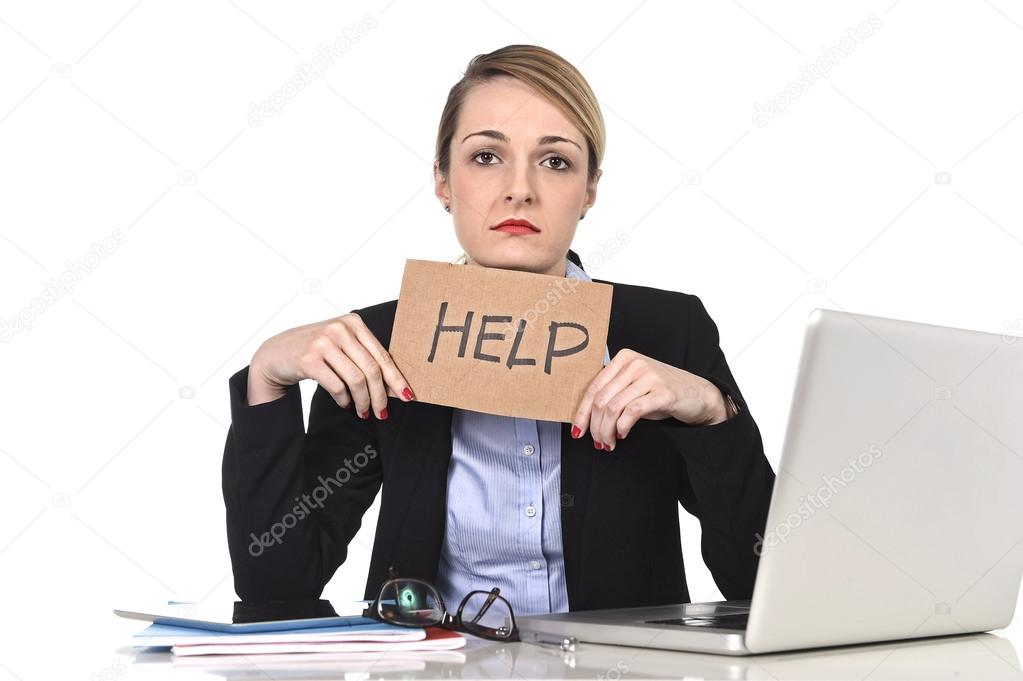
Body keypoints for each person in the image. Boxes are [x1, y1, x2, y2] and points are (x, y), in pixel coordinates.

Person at [222, 44, 775, 616]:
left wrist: (712, 413)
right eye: (486, 156)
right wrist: (267, 379)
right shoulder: (378, 346)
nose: (520, 189)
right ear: (442, 181)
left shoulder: (668, 331)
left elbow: (762, 585)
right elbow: (276, 589)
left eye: (555, 161)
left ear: (589, 190)